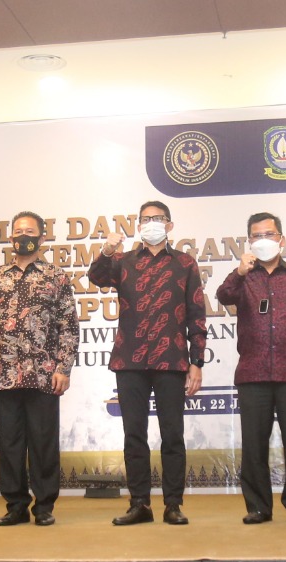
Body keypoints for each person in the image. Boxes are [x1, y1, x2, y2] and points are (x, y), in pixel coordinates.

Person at [87, 200, 206, 526]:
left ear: (169, 225)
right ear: (139, 226)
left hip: (171, 359)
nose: (152, 223)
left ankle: (173, 505)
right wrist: (107, 250)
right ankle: (139, 503)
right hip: (130, 359)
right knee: (134, 435)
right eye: (146, 219)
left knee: (173, 435)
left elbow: (196, 314)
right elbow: (96, 277)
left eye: (158, 218)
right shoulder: (123, 261)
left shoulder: (185, 263)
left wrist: (197, 361)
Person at [0, 211, 78, 526]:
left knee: (43, 442)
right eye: (17, 231)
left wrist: (64, 368)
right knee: (11, 443)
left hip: (44, 373)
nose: (22, 236)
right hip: (5, 373)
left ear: (42, 238)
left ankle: (44, 506)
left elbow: (68, 326)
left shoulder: (56, 276)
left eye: (29, 231)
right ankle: (15, 505)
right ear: (10, 238)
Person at [216, 212, 286, 525]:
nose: (263, 239)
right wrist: (239, 272)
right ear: (249, 241)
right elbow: (223, 296)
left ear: (281, 239)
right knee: (254, 445)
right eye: (257, 235)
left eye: (269, 234)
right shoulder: (243, 278)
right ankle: (258, 507)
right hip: (253, 373)